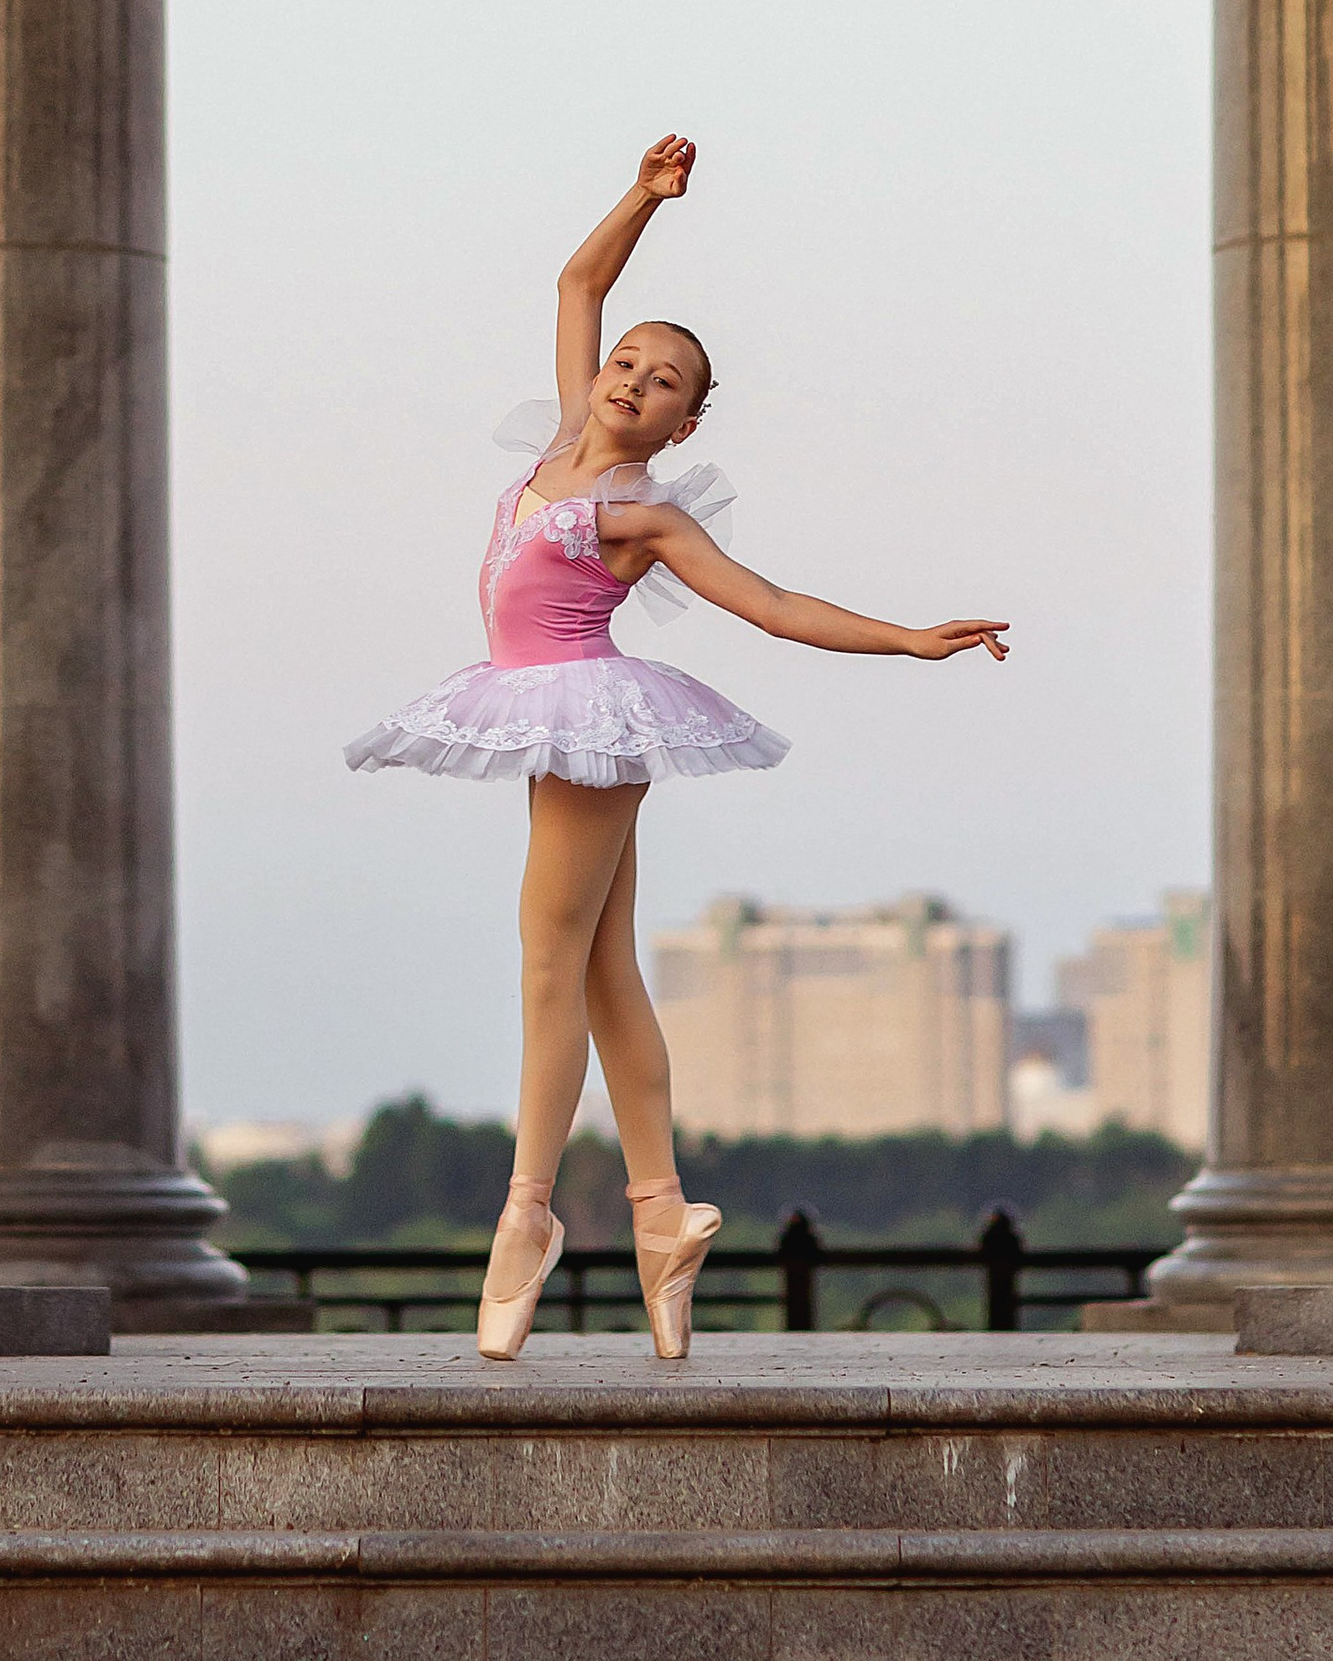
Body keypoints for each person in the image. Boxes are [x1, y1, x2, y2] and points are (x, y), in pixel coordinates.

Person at [346, 135, 1010, 1361]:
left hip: (586, 711)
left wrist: (911, 641)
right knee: (601, 969)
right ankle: (660, 1216)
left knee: (546, 960)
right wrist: (642, 199)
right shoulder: (550, 450)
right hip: (540, 700)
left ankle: (527, 1215)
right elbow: (576, 287)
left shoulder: (640, 514)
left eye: (663, 382)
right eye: (628, 364)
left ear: (683, 420)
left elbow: (768, 604)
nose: (633, 380)